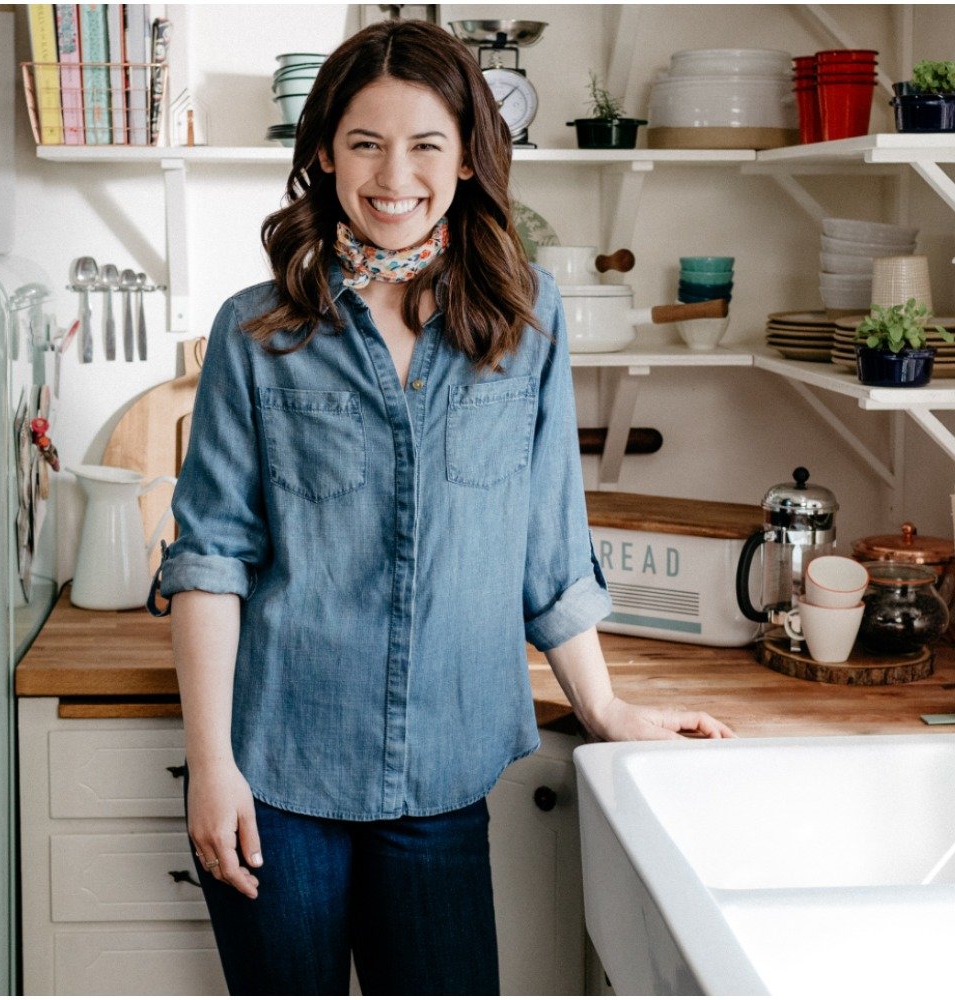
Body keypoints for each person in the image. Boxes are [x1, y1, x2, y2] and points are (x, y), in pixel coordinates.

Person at [146, 20, 732, 996]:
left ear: (465, 159)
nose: (393, 175)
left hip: (444, 778)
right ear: (324, 151)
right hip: (278, 771)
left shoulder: (525, 319)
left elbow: (548, 544)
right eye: (365, 142)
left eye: (425, 144)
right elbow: (208, 560)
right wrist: (212, 768)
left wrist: (603, 703)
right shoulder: (256, 332)